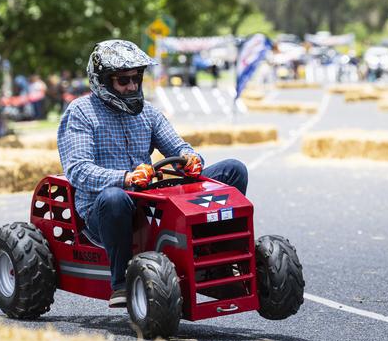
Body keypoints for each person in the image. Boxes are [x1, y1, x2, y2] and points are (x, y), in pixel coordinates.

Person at [57, 40, 248, 307]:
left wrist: (191, 159)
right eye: (123, 80)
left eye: (136, 78)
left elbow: (179, 146)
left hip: (149, 201)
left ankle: (220, 263)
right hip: (103, 210)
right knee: (115, 198)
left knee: (233, 170)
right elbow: (78, 171)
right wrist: (125, 178)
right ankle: (121, 283)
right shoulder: (81, 112)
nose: (132, 86)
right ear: (102, 80)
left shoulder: (148, 112)